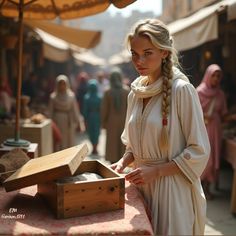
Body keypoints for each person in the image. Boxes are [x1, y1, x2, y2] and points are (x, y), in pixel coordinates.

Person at [110, 19, 210, 235]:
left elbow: (199, 150)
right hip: (139, 188)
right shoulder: (135, 93)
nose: (139, 60)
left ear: (164, 52)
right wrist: (122, 162)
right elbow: (133, 145)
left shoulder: (182, 90)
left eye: (148, 53)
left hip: (171, 191)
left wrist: (156, 171)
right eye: (135, 54)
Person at [197, 64, 236, 200]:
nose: (216, 78)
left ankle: (207, 188)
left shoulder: (220, 95)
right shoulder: (199, 92)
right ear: (208, 75)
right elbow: (191, 113)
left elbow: (223, 114)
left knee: (213, 160)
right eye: (214, 75)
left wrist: (231, 117)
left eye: (219, 76)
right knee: (204, 159)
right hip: (202, 130)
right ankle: (199, 187)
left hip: (216, 131)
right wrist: (203, 116)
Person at [101, 68, 130, 163]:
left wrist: (103, 122)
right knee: (123, 140)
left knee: (112, 141)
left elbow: (104, 109)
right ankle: (122, 160)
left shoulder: (107, 92)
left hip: (111, 120)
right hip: (124, 119)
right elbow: (130, 107)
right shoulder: (126, 90)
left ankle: (113, 159)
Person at [49, 74, 83, 151]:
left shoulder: (71, 96)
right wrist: (51, 124)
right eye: (60, 83)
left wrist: (78, 122)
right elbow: (50, 112)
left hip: (69, 121)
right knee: (59, 141)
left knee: (68, 141)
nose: (62, 86)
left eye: (63, 83)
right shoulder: (53, 97)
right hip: (57, 120)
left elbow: (75, 110)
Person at [83, 79, 101, 155]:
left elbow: (85, 110)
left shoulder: (87, 97)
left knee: (91, 132)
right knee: (96, 133)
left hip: (90, 116)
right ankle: (95, 148)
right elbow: (101, 109)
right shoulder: (99, 97)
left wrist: (85, 119)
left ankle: (93, 147)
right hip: (97, 116)